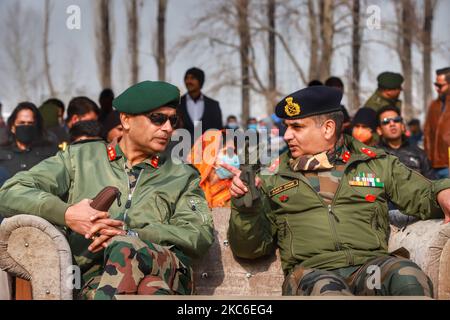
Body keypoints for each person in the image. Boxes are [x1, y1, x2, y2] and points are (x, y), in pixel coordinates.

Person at [223, 85, 450, 297]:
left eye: (297, 127)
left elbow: (422, 193)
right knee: (328, 292)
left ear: (328, 128)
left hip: (369, 268)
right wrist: (246, 207)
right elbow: (250, 250)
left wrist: (441, 192)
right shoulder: (272, 177)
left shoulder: (375, 163)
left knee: (407, 277)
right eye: (287, 127)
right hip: (312, 273)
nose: (287, 135)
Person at [0, 81, 214, 300]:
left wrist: (133, 234)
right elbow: (10, 192)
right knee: (150, 289)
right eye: (157, 118)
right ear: (126, 120)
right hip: (98, 277)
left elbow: (199, 234)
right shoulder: (79, 158)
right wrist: (67, 214)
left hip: (166, 266)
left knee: (125, 247)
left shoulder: (181, 175)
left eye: (173, 120)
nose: (168, 128)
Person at [0, 102, 58, 186]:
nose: (26, 126)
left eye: (30, 123)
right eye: (22, 123)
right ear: (13, 127)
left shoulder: (51, 152)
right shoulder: (2, 152)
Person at [376, 106, 436, 180]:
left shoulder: (419, 153)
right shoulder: (374, 155)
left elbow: (432, 184)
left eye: (396, 120)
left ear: (403, 126)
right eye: (386, 122)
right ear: (379, 130)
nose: (392, 124)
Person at [179, 67, 223, 145]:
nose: (188, 81)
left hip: (208, 151)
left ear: (200, 81)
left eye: (192, 78)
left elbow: (218, 130)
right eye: (186, 78)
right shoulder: (177, 104)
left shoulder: (213, 105)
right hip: (181, 151)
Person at [424, 67, 450, 179]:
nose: (437, 89)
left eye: (440, 85)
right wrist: (427, 158)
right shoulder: (434, 105)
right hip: (433, 166)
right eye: (436, 85)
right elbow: (427, 133)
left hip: (448, 165)